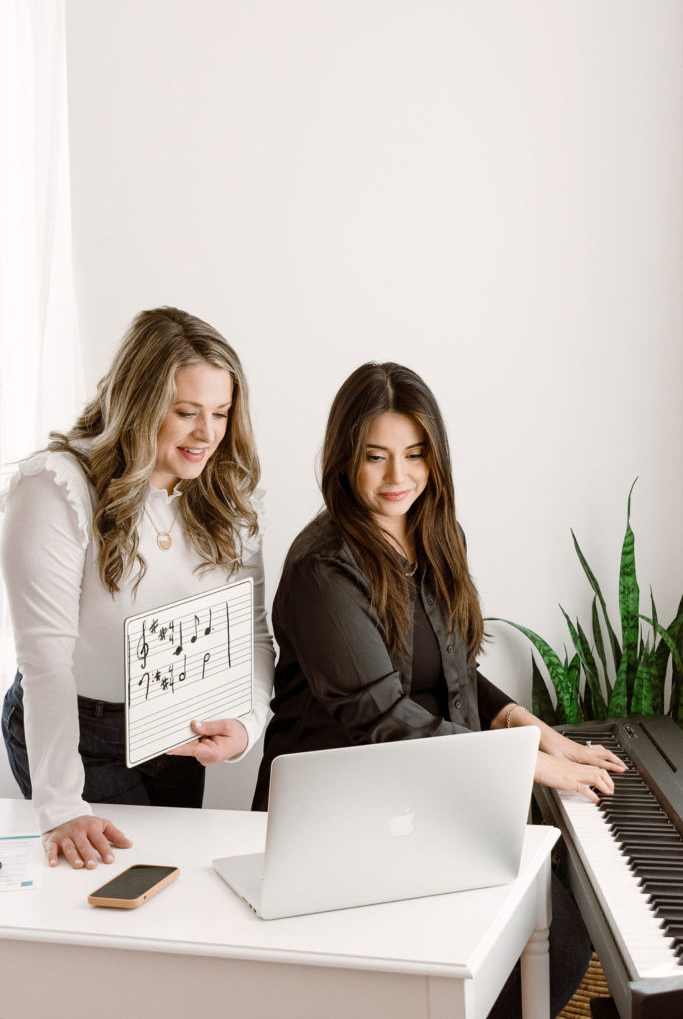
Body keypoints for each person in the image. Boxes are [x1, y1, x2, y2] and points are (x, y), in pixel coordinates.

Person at [251, 361, 625, 1018]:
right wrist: (527, 769)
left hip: (424, 798)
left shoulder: (431, 536)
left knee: (559, 941)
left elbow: (453, 673)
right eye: (375, 457)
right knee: (534, 952)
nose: (398, 477)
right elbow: (382, 719)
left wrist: (544, 736)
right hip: (340, 821)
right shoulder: (322, 567)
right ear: (343, 459)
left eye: (415, 454)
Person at [1, 307, 274, 871]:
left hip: (174, 723)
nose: (208, 435)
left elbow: (249, 634)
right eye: (186, 413)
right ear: (139, 404)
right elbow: (46, 660)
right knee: (117, 889)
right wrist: (61, 805)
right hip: (79, 728)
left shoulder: (226, 492)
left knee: (171, 885)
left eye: (221, 413)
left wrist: (246, 725)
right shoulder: (54, 487)